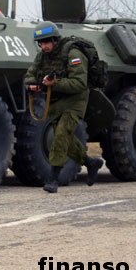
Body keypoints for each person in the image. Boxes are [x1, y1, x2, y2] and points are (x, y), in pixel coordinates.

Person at [24, 21, 104, 193]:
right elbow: (30, 74)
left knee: (60, 135)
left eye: (47, 42)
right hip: (56, 102)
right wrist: (32, 85)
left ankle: (53, 179)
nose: (44, 46)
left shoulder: (73, 53)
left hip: (75, 101)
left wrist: (55, 83)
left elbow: (79, 83)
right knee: (66, 139)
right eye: (41, 43)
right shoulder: (42, 56)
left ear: (55, 39)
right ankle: (91, 163)